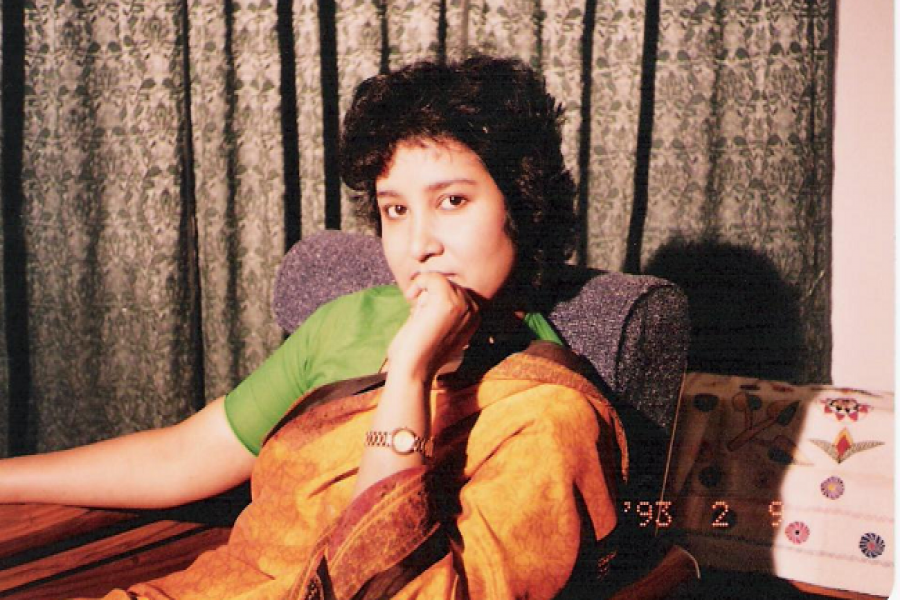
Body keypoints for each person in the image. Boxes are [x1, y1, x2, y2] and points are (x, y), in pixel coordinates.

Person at [0, 55, 627, 599]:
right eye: (395, 209)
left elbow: (390, 588)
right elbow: (182, 456)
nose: (418, 244)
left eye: (452, 201)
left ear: (522, 204)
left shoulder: (549, 412)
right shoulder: (351, 321)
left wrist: (410, 375)